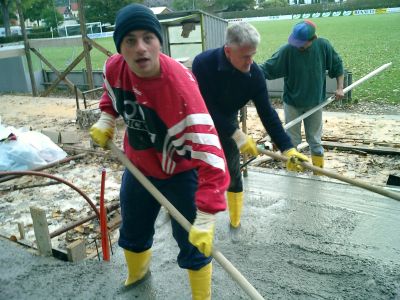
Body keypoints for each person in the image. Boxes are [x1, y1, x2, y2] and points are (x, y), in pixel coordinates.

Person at [89, 4, 229, 299]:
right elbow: (111, 92)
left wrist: (206, 216)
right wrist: (106, 117)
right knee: (134, 228)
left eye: (147, 38)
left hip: (180, 171)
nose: (140, 48)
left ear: (158, 42)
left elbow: (212, 156)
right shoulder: (115, 67)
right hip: (138, 168)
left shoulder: (180, 89)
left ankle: (201, 296)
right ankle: (137, 278)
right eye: (130, 40)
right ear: (121, 47)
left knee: (193, 242)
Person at [192, 22, 308, 231]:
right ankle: (188, 214)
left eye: (253, 55)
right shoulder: (203, 63)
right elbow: (205, 106)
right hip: (198, 120)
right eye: (245, 56)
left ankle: (235, 217)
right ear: (228, 51)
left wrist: (287, 147)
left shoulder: (255, 74)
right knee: (194, 169)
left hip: (228, 121)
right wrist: (236, 134)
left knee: (233, 170)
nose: (250, 61)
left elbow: (267, 113)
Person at [260, 20, 344, 173]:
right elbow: (267, 68)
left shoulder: (323, 46)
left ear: (313, 39)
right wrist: (246, 71)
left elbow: (337, 65)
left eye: (302, 43)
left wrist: (339, 88)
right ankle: (293, 173)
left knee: (315, 140)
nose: (298, 46)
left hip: (315, 103)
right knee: (292, 141)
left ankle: (318, 172)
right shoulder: (288, 50)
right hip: (292, 102)